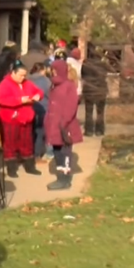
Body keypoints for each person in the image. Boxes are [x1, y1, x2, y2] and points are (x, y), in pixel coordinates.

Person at [0, 62, 41, 177]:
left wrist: (38, 96)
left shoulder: (28, 83)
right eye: (21, 75)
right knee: (10, 143)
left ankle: (30, 166)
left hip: (26, 118)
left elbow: (38, 91)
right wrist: (20, 100)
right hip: (11, 118)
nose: (23, 78)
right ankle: (11, 169)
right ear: (13, 73)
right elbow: (1, 100)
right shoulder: (4, 84)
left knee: (27, 143)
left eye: (25, 75)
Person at [45, 60, 83, 192]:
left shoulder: (69, 85)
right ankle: (60, 177)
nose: (53, 72)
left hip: (65, 127)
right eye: (52, 70)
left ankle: (65, 180)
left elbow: (71, 106)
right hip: (53, 125)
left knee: (65, 152)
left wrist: (63, 122)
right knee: (57, 153)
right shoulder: (53, 86)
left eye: (55, 70)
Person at [81, 49, 110, 137]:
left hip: (89, 90)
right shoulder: (103, 64)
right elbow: (108, 71)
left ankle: (89, 130)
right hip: (100, 89)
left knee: (88, 112)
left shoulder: (86, 64)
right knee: (100, 112)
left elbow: (82, 75)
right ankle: (99, 130)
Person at [28, 61, 52, 162]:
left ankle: (29, 153)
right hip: (43, 109)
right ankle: (37, 154)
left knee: (31, 132)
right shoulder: (46, 81)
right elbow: (50, 95)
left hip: (29, 109)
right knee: (41, 132)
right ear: (42, 70)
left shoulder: (27, 80)